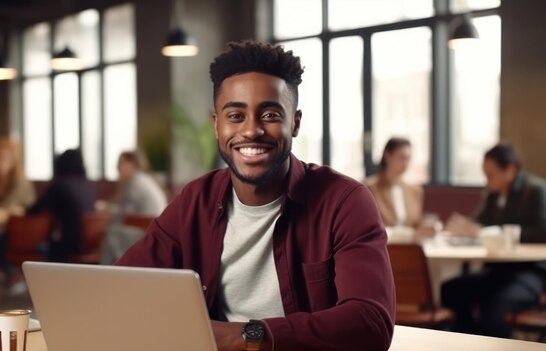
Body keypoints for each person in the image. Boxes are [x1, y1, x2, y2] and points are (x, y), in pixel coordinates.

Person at [115, 41, 395, 350]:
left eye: (271, 114)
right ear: (216, 124)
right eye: (235, 116)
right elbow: (123, 288)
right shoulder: (196, 199)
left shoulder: (345, 202)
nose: (251, 131)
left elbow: (371, 322)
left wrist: (247, 336)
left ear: (295, 123)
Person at [441, 143, 546, 338]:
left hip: (529, 271)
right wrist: (463, 226)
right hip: (497, 270)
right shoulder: (492, 194)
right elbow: (477, 223)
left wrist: (493, 231)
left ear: (510, 170)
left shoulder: (535, 191)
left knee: (496, 306)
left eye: (491, 175)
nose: (487, 181)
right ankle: (472, 337)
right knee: (450, 290)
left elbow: (542, 232)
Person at [28, 148, 96, 262]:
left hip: (67, 245)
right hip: (90, 245)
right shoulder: (88, 185)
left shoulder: (60, 185)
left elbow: (36, 210)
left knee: (40, 246)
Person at [100, 151, 168, 264]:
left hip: (147, 231)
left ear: (132, 164)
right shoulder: (143, 179)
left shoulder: (135, 183)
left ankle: (105, 273)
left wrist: (108, 210)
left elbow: (126, 215)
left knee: (111, 234)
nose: (118, 168)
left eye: (121, 164)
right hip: (154, 231)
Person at [0, 139, 37, 277]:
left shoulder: (19, 182)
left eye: (3, 159)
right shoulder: (0, 180)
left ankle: (11, 272)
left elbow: (7, 208)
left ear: (13, 161)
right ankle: (8, 272)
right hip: (5, 225)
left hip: (23, 230)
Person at [365, 138, 423, 228]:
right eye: (402, 158)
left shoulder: (415, 191)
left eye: (408, 158)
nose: (406, 163)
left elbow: (416, 224)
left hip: (410, 242)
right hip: (384, 241)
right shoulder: (369, 189)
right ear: (387, 156)